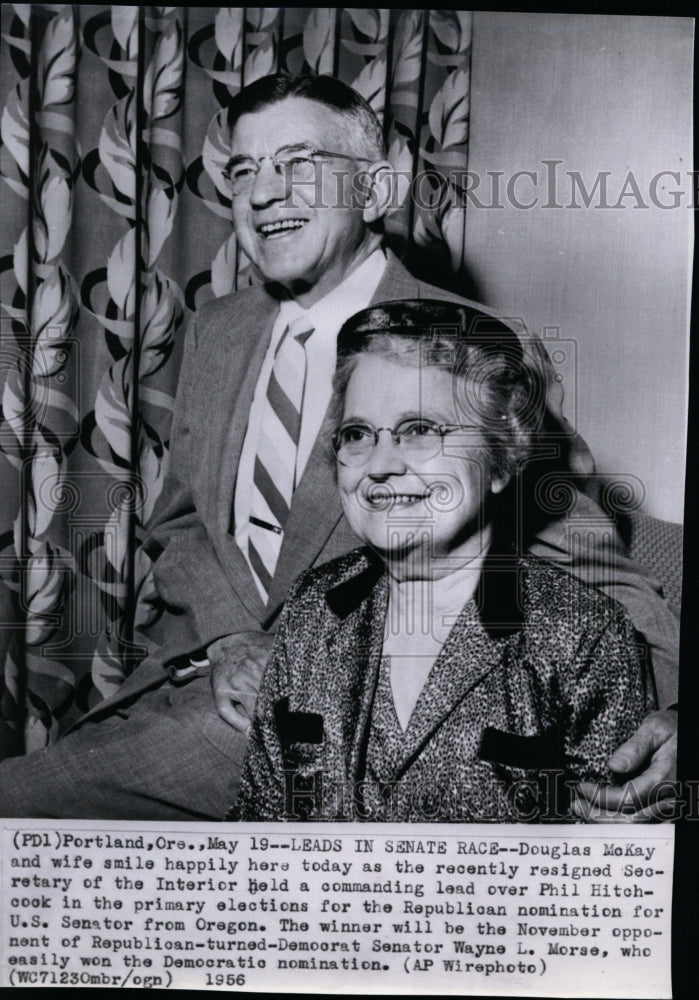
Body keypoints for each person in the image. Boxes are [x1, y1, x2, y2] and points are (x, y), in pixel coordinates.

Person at [0, 73, 678, 820]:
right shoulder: (217, 329)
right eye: (243, 170)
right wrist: (230, 639)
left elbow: (588, 564)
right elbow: (182, 520)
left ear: (376, 187)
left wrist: (674, 720)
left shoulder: (472, 341)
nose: (262, 194)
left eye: (297, 162)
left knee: (18, 810)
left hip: (329, 724)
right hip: (180, 672)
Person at [234, 300, 655, 822]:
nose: (381, 465)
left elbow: (609, 877)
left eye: (420, 430)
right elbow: (258, 829)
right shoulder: (313, 608)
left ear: (500, 458)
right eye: (358, 434)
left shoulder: (584, 635)